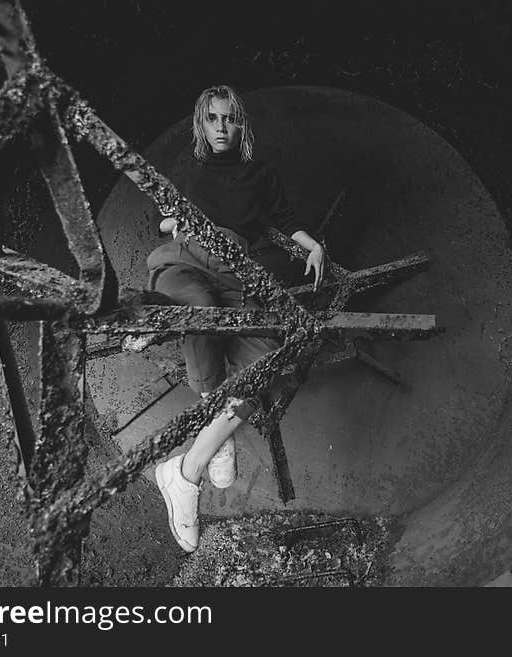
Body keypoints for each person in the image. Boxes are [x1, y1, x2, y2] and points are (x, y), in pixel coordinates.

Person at [148, 85, 325, 553]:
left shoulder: (259, 174)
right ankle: (214, 430)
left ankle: (184, 471)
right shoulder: (189, 171)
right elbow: (161, 219)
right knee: (200, 310)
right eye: (212, 119)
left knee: (268, 362)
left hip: (237, 272)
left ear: (240, 123)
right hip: (186, 261)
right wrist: (177, 223)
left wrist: (312, 244)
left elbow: (284, 218)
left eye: (229, 119)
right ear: (201, 124)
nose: (221, 127)